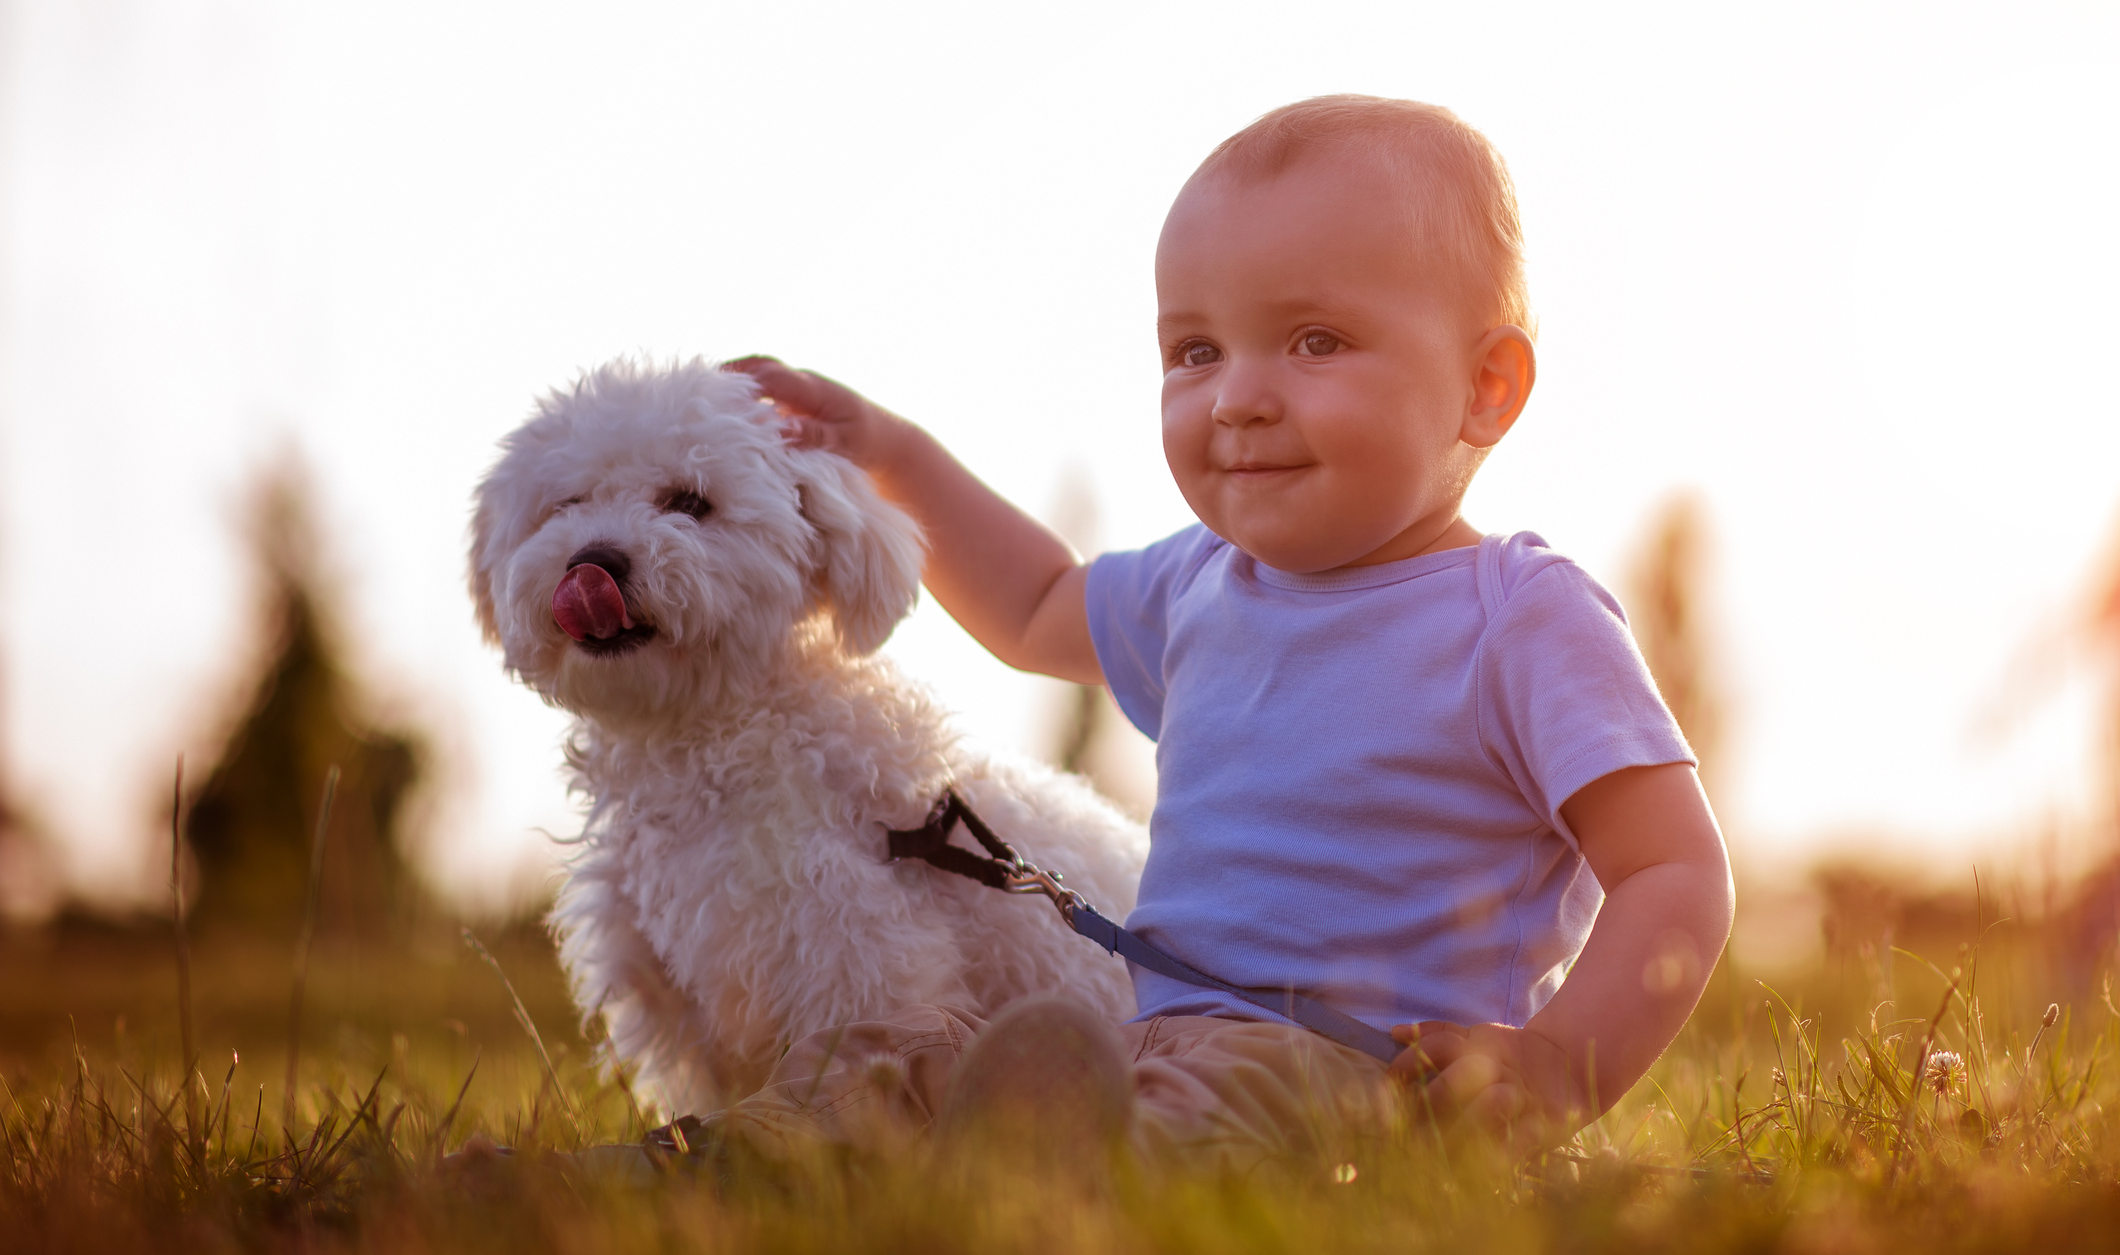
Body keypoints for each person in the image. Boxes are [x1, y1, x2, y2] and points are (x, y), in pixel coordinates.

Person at [712, 95, 1734, 1170]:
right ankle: (690, 1166)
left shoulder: (1518, 619)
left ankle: (1038, 1171)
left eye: (1314, 341)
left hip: (1355, 1071)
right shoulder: (1199, 586)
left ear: (1486, 386)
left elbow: (1672, 867)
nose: (1237, 397)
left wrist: (1555, 1065)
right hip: (1141, 1037)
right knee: (892, 1082)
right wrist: (891, 451)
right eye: (1194, 351)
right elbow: (1030, 604)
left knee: (1179, 1112)